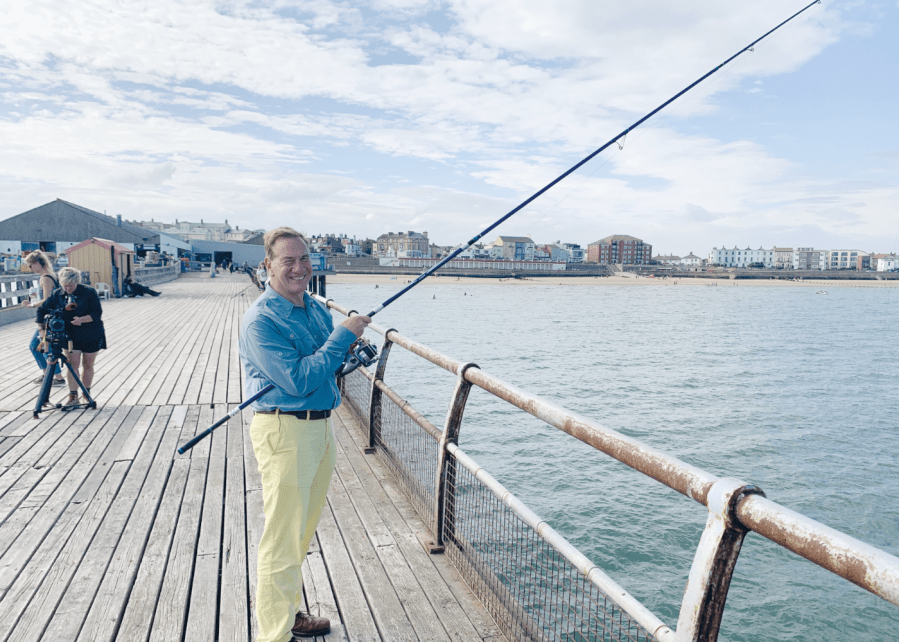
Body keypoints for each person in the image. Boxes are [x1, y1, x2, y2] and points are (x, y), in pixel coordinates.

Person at [239, 227, 370, 641]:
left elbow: (325, 363)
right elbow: (297, 379)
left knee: (300, 531)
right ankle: (273, 635)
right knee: (280, 538)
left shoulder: (313, 308)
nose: (299, 268)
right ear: (268, 266)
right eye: (287, 261)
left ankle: (290, 613)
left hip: (319, 428)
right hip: (283, 430)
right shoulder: (261, 320)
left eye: (305, 259)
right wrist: (343, 336)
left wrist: (342, 345)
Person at [37, 267, 107, 407]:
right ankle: (73, 396)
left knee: (88, 364)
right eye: (65, 285)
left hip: (90, 332)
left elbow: (97, 314)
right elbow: (41, 310)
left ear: (77, 282)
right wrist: (41, 329)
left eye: (71, 285)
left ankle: (86, 394)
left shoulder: (88, 292)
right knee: (72, 365)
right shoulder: (58, 293)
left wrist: (82, 319)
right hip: (70, 335)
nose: (68, 288)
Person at [23, 251, 65, 386]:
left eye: (30, 266)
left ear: (36, 264)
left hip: (48, 319)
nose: (30, 269)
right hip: (53, 317)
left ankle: (57, 377)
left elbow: (47, 301)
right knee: (41, 346)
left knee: (39, 346)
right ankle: (49, 375)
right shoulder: (51, 275)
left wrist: (32, 304)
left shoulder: (46, 278)